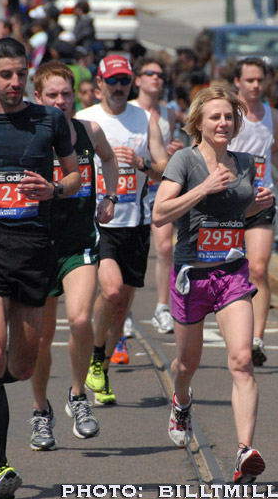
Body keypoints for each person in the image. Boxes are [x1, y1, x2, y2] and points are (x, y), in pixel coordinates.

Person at [0, 37, 82, 498]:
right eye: (5, 74)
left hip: (34, 249)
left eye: (20, 74)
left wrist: (56, 190)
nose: (13, 82)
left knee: (22, 366)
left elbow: (74, 174)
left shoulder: (49, 120)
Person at [152, 85, 274, 483]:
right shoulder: (184, 162)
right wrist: (202, 188)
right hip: (192, 276)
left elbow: (237, 208)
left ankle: (244, 451)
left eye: (228, 117)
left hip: (231, 273)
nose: (223, 123)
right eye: (215, 117)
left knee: (241, 360)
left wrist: (259, 203)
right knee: (187, 364)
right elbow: (159, 213)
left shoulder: (243, 162)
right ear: (199, 123)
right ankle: (181, 402)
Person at [28, 60, 118, 451]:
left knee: (81, 318)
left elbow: (110, 159)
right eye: (53, 95)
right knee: (41, 338)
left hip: (79, 241)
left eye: (66, 93)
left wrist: (110, 196)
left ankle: (78, 397)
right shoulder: (27, 136)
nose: (61, 101)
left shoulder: (89, 131)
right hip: (37, 245)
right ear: (38, 97)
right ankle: (40, 412)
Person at [75, 54, 168, 405]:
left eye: (124, 81)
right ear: (99, 83)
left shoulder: (145, 119)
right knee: (111, 292)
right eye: (111, 81)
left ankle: (99, 366)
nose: (118, 87)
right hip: (99, 222)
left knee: (121, 305)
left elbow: (166, 169)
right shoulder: (84, 120)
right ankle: (95, 359)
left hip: (136, 223)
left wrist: (143, 163)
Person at [230, 57, 278, 366]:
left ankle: (256, 339)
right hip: (228, 204)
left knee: (257, 269)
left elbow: (275, 151)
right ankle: (233, 330)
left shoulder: (274, 117)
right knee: (225, 271)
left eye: (260, 80)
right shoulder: (227, 116)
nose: (255, 85)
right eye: (250, 80)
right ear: (237, 82)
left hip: (263, 202)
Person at [132, 56, 183, 336]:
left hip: (160, 187)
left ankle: (162, 307)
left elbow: (169, 149)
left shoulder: (169, 113)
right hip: (133, 188)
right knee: (130, 248)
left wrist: (174, 148)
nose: (156, 78)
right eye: (150, 73)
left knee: (165, 247)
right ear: (138, 79)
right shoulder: (128, 110)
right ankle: (124, 311)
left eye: (160, 75)